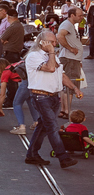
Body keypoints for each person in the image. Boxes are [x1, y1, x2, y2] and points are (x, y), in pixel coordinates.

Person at [24, 29, 82, 168]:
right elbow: (50, 69)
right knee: (52, 127)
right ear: (42, 42)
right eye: (51, 42)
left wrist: (74, 88)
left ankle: (32, 154)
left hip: (53, 96)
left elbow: (60, 74)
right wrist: (51, 51)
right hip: (41, 96)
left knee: (43, 127)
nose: (55, 44)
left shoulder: (52, 56)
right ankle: (63, 157)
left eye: (55, 42)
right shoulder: (33, 56)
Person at [56, 6, 87, 118]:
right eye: (80, 15)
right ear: (72, 15)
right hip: (70, 59)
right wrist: (70, 48)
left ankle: (64, 110)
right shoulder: (67, 25)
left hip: (71, 59)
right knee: (70, 84)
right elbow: (60, 36)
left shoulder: (68, 25)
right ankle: (67, 111)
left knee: (65, 84)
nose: (82, 18)